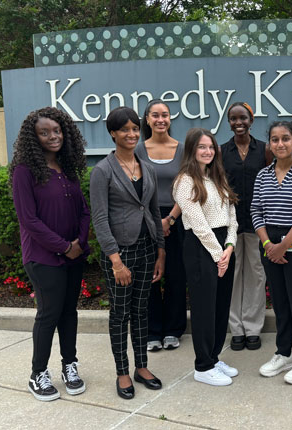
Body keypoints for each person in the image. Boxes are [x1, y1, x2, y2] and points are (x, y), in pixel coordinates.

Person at [10, 107, 90, 402]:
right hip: (43, 258)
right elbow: (28, 220)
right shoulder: (24, 172)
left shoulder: (67, 169)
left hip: (74, 254)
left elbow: (83, 210)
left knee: (69, 312)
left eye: (56, 131)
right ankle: (37, 374)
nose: (52, 136)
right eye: (44, 132)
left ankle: (70, 366)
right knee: (49, 314)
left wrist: (79, 242)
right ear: (34, 137)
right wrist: (64, 246)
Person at [90, 106, 165, 400]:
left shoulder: (146, 168)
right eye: (125, 130)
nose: (131, 134)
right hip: (119, 254)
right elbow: (100, 218)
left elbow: (155, 210)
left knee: (142, 311)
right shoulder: (102, 171)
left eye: (135, 129)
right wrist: (116, 261)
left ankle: (142, 367)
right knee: (120, 315)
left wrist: (160, 250)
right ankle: (122, 372)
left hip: (147, 249)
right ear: (113, 134)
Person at [251, 121, 292, 385]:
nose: (280, 144)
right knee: (279, 301)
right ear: (269, 144)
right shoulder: (262, 175)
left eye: (286, 139)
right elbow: (256, 211)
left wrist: (283, 245)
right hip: (269, 241)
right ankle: (283, 352)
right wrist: (269, 245)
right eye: (275, 140)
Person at [173, 128, 239, 386]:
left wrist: (230, 246)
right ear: (192, 149)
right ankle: (203, 365)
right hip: (202, 248)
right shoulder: (185, 181)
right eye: (202, 147)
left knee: (221, 305)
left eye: (210, 147)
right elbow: (198, 224)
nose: (207, 151)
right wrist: (218, 255)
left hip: (224, 246)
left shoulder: (217, 177)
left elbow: (232, 215)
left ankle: (213, 356)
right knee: (204, 307)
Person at [135, 99, 187, 352]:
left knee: (177, 274)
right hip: (147, 219)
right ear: (147, 119)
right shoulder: (138, 150)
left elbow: (189, 187)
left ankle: (173, 330)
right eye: (155, 115)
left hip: (179, 217)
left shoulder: (183, 149)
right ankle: (152, 330)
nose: (160, 120)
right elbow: (134, 190)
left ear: (170, 118)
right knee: (150, 275)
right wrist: (156, 222)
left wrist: (171, 219)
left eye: (165, 115)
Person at [221, 102, 270, 352]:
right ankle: (236, 328)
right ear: (229, 122)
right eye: (233, 119)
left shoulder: (264, 149)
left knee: (257, 275)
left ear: (251, 120)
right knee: (233, 274)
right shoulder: (221, 151)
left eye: (243, 118)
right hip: (229, 223)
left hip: (257, 224)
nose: (238, 123)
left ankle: (252, 327)